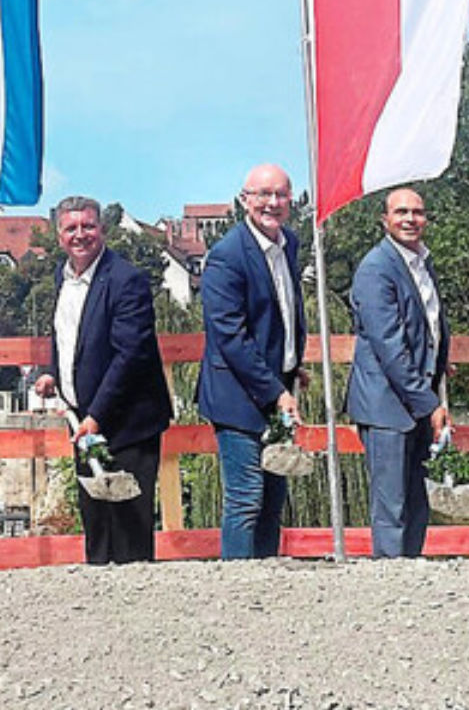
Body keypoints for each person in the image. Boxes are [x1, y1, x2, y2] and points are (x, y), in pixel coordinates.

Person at [34, 196, 173, 565]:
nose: (80, 235)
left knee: (129, 530)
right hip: (84, 421)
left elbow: (131, 356)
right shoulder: (60, 278)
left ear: (103, 230)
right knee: (96, 526)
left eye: (88, 226)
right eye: (71, 228)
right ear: (59, 235)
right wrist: (51, 372)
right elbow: (66, 337)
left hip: (128, 422)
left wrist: (96, 415)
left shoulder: (127, 280)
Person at [197, 164, 306, 560]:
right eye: (263, 194)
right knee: (246, 499)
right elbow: (231, 337)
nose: (272, 203)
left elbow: (282, 313)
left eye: (280, 195)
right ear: (245, 199)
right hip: (237, 396)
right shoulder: (226, 257)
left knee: (274, 500)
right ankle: (239, 586)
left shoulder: (289, 244)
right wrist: (277, 392)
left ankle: (267, 579)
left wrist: (293, 364)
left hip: (277, 388)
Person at [347, 187, 450, 557]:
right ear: (384, 219)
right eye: (401, 212)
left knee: (415, 502)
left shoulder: (420, 262)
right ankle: (389, 584)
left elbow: (427, 328)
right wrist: (429, 403)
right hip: (386, 404)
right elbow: (388, 345)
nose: (410, 219)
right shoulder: (377, 268)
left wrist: (437, 376)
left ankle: (410, 575)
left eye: (418, 212)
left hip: (414, 398)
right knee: (391, 507)